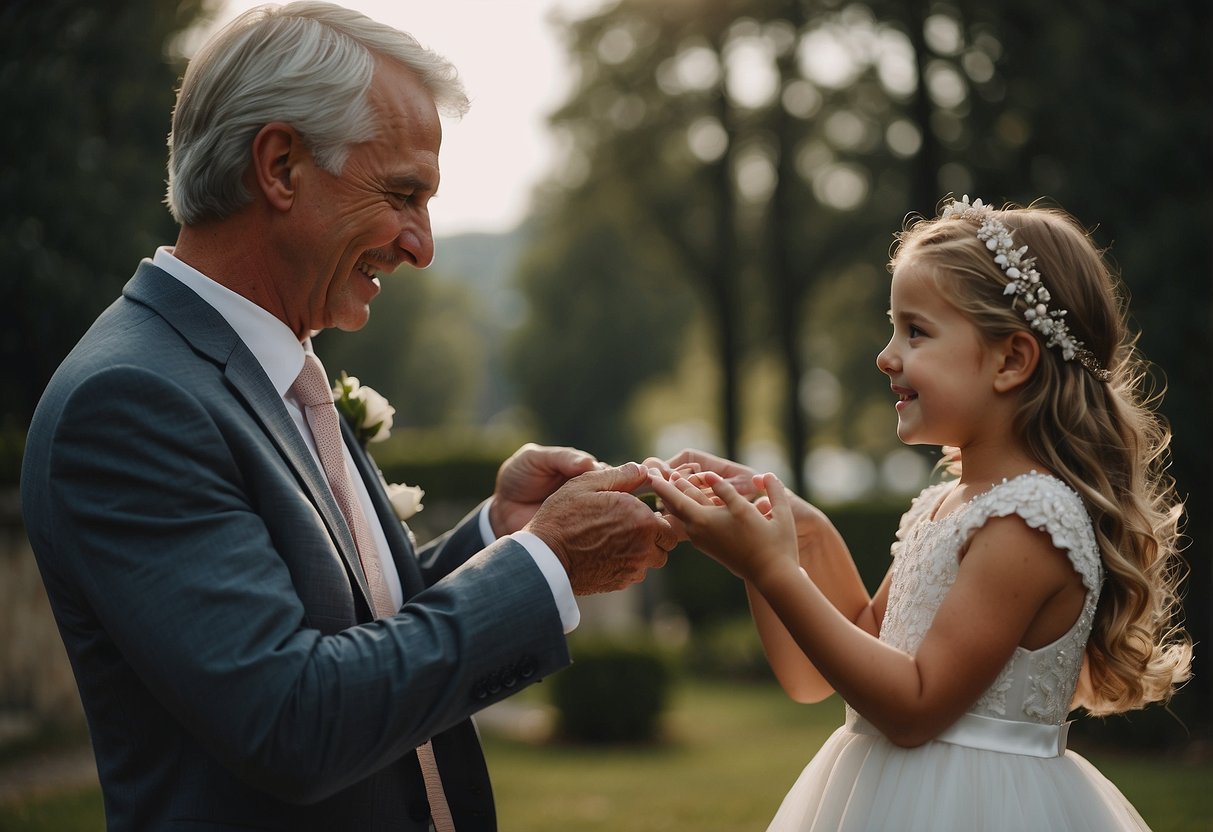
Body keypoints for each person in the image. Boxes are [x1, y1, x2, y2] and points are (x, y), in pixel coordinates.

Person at [20, 3, 676, 830]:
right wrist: (545, 568)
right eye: (403, 194)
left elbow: (350, 627)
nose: (422, 245)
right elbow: (294, 719)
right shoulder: (127, 404)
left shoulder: (268, 366)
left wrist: (499, 539)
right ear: (281, 166)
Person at [649, 196, 1191, 831]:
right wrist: (794, 533)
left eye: (916, 331)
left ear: (1012, 360)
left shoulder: (1031, 521)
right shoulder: (946, 504)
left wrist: (772, 569)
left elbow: (913, 706)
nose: (886, 355)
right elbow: (816, 674)